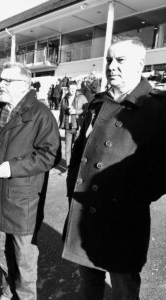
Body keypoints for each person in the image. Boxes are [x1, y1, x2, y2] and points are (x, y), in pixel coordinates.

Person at [62, 35, 166, 299]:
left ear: (140, 64)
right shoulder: (98, 103)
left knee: (123, 288)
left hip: (123, 219)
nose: (112, 66)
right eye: (109, 59)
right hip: (85, 213)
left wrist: (130, 194)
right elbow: (78, 154)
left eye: (120, 60)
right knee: (89, 283)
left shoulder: (157, 108)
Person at [0, 62, 61, 300]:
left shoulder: (40, 114)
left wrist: (14, 167)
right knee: (0, 249)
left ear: (25, 84)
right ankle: (7, 291)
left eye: (7, 81)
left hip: (23, 198)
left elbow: (50, 155)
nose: (0, 85)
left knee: (23, 256)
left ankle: (26, 296)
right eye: (0, 80)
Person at [59, 82, 88, 175]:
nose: (72, 89)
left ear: (76, 88)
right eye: (71, 88)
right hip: (68, 126)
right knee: (67, 149)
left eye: (74, 88)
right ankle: (68, 169)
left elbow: (87, 110)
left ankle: (77, 169)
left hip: (77, 126)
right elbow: (61, 112)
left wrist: (76, 111)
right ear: (67, 88)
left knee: (77, 149)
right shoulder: (64, 98)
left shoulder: (82, 97)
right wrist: (60, 123)